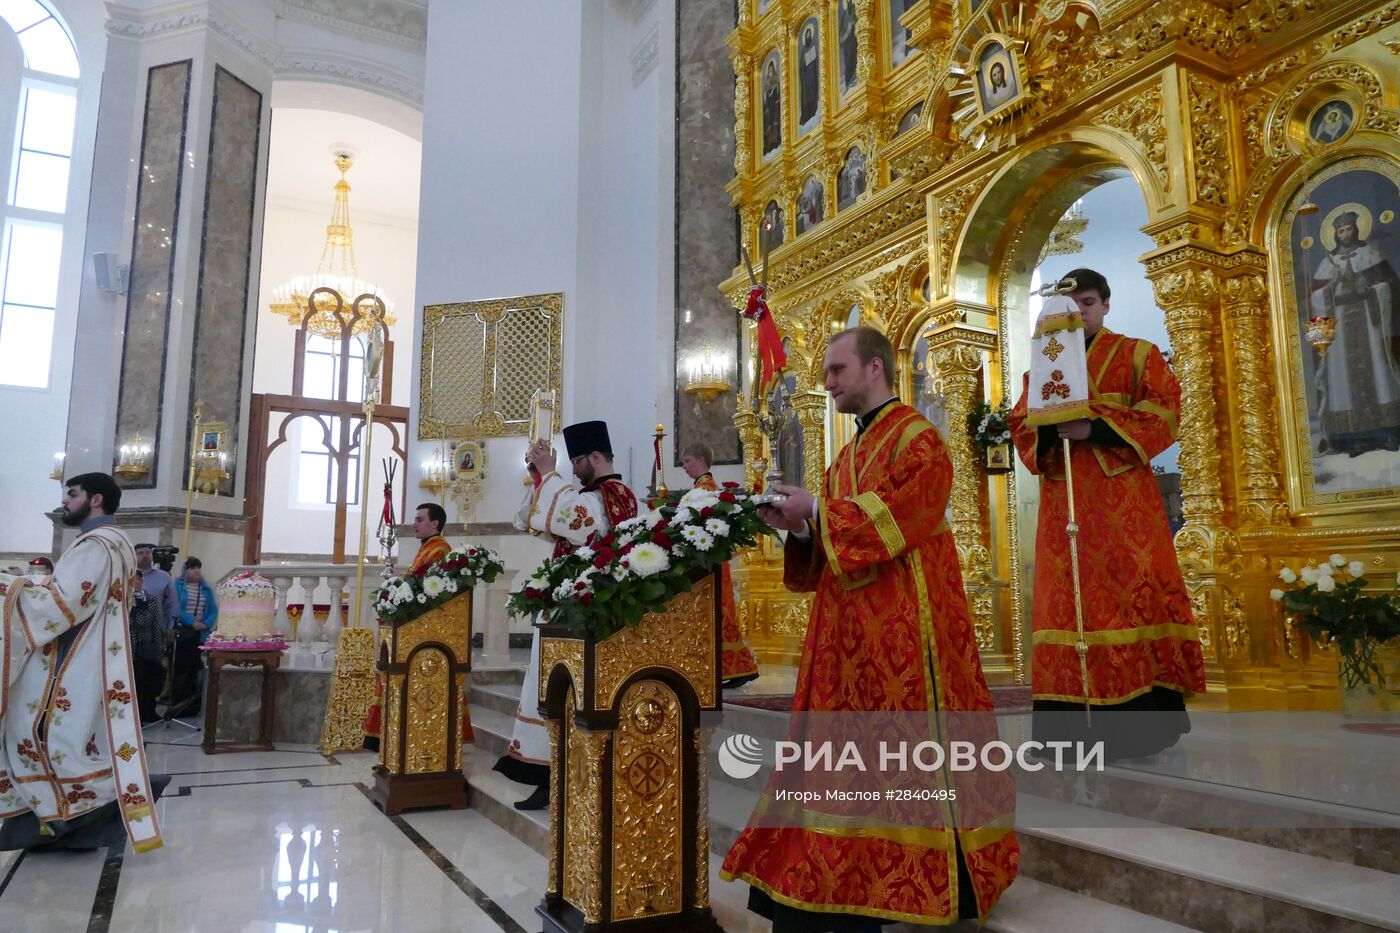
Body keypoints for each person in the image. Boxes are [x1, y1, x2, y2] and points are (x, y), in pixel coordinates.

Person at [721, 327, 1018, 930]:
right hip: (846, 639)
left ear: (875, 368)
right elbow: (830, 540)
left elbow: (906, 516)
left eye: (836, 370)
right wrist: (800, 526)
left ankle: (931, 878)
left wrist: (819, 513)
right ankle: (836, 870)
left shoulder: (919, 440)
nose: (826, 383)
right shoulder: (846, 456)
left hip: (910, 632)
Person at [1008, 268, 1205, 760]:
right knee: (1066, 603)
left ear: (1106, 305)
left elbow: (1166, 411)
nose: (1080, 313)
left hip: (1122, 510)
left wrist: (1093, 427)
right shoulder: (1042, 366)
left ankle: (1138, 730)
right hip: (1063, 508)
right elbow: (1021, 424)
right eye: (1071, 305)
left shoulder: (1138, 353)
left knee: (1129, 597)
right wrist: (1053, 432)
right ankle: (1065, 732)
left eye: (1089, 302)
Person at [0, 472, 165, 852]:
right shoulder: (118, 542)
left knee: (35, 731)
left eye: (72, 494)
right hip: (95, 657)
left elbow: (61, 604)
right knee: (71, 739)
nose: (65, 502)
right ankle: (69, 815)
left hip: (73, 660)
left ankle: (68, 817)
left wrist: (10, 587)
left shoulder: (96, 545)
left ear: (95, 500)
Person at [495, 420, 638, 811]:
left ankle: (558, 776)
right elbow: (533, 522)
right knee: (548, 687)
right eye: (570, 463)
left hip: (587, 614)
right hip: (568, 608)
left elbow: (577, 520)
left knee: (562, 690)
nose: (573, 469)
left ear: (596, 457)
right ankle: (547, 772)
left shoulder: (615, 494)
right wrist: (541, 479)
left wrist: (549, 474)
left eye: (577, 461)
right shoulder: (591, 495)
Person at [363, 502, 457, 752]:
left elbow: (426, 589)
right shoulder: (427, 547)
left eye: (419, 519)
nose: (414, 524)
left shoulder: (439, 549)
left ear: (434, 523)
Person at [1310, 209, 1400, 456]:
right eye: (1341, 230)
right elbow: (1315, 298)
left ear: (1357, 230)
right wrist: (1330, 286)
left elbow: (1390, 286)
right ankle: (1351, 437)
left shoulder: (1370, 254)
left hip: (1370, 321)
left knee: (1379, 370)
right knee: (1341, 377)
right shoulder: (1327, 264)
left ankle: (1387, 432)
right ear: (1335, 234)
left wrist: (1370, 287)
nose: (1345, 234)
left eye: (1349, 229)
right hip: (1340, 327)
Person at [680, 441, 760, 688]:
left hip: (710, 562)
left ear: (701, 460)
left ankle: (736, 667)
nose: (684, 467)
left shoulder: (704, 488)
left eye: (687, 462)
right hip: (713, 561)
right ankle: (734, 667)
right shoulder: (703, 487)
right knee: (719, 612)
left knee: (718, 612)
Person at [132, 544, 179, 724]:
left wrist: (170, 628)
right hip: (128, 638)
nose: (145, 556)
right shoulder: (124, 574)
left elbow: (171, 604)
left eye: (148, 552)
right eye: (140, 553)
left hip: (153, 636)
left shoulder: (163, 577)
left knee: (152, 674)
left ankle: (148, 711)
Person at [171, 557, 218, 718]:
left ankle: (193, 706)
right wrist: (191, 622)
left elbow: (213, 610)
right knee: (183, 670)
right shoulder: (177, 586)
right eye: (192, 567)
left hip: (201, 635)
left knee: (196, 670)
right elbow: (175, 607)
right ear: (186, 570)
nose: (196, 570)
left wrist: (206, 623)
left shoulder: (206, 589)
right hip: (184, 634)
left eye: (198, 567)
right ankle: (178, 705)